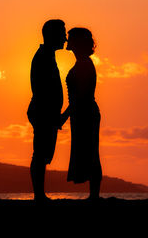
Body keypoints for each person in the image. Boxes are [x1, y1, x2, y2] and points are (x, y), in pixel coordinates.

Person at [27, 19, 67, 202]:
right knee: (41, 153)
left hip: (46, 112)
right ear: (52, 34)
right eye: (62, 33)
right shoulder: (43, 56)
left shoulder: (47, 55)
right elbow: (42, 89)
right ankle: (39, 195)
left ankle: (39, 194)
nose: (65, 38)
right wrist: (53, 114)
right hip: (44, 111)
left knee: (43, 153)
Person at [61, 27, 102, 199]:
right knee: (88, 151)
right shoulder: (82, 63)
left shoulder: (85, 64)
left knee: (91, 152)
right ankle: (93, 195)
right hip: (81, 113)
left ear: (77, 42)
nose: (67, 41)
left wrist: (64, 116)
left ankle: (94, 196)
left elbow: (81, 96)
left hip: (86, 113)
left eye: (70, 38)